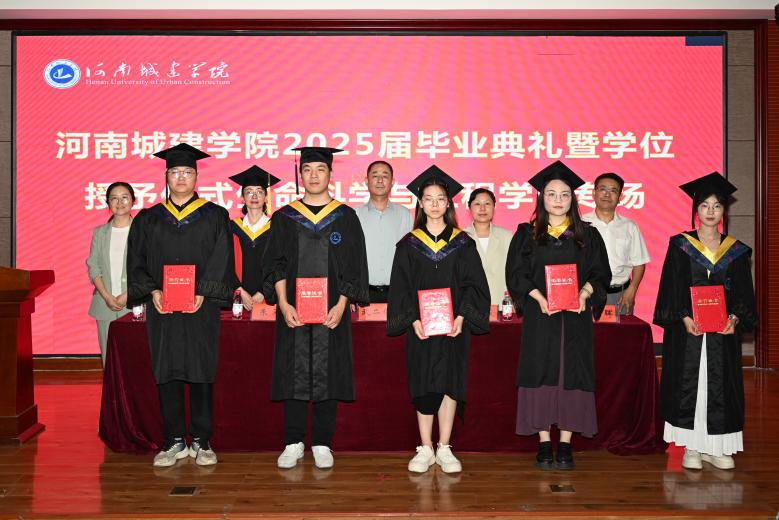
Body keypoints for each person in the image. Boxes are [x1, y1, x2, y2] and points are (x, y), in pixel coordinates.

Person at [126, 143, 234, 468]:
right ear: (166, 176)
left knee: (201, 371)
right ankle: (173, 439)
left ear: (197, 176)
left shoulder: (215, 216)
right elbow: (136, 262)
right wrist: (152, 291)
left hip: (201, 307)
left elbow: (221, 259)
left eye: (187, 172)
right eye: (175, 172)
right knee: (167, 370)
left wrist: (204, 291)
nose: (181, 177)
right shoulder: (148, 219)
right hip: (163, 309)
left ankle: (201, 440)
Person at [262, 146, 369, 470]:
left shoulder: (345, 217)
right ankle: (293, 442)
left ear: (330, 175)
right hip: (293, 309)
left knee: (328, 371)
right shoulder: (285, 217)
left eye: (320, 170)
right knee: (293, 371)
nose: (313, 175)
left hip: (331, 310)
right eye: (307, 170)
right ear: (301, 174)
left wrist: (342, 304)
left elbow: (353, 267)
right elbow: (276, 265)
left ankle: (322, 442)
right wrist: (283, 303)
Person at [505, 160, 610, 471]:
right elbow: (516, 274)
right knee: (539, 372)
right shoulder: (527, 234)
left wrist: (584, 295)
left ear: (572, 198)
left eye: (564, 194)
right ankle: (543, 441)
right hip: (541, 316)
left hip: (575, 317)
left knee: (571, 373)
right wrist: (538, 298)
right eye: (551, 194)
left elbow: (600, 273)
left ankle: (565, 443)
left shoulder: (587, 235)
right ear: (542, 198)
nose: (558, 200)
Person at [387, 165, 490, 474]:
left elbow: (475, 286)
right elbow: (401, 288)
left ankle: (444, 446)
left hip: (453, 328)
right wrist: (412, 320)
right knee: (423, 384)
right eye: (428, 199)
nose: (434, 204)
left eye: (440, 199)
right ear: (420, 203)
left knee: (449, 382)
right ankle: (425, 447)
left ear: (448, 204)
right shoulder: (408, 244)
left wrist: (462, 316)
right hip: (421, 328)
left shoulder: (463, 243)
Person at [654, 172, 757, 471]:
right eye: (705, 205)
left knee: (720, 386)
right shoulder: (680, 246)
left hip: (722, 334)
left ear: (724, 211)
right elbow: (670, 288)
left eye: (717, 206)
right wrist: (684, 317)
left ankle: (717, 448)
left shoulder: (735, 251)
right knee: (691, 385)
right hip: (688, 332)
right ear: (695, 209)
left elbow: (744, 293)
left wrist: (735, 318)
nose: (711, 211)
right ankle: (692, 447)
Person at [582, 173, 650, 314]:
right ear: (594, 193)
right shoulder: (580, 224)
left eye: (613, 191)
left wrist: (632, 290)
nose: (607, 194)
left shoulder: (629, 226)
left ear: (620, 197)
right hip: (586, 294)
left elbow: (639, 262)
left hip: (621, 295)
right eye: (603, 189)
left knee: (622, 329)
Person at [86, 182, 134, 366]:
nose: (119, 202)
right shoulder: (100, 233)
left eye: (124, 197)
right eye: (114, 198)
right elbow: (93, 266)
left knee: (134, 358)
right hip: (104, 304)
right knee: (109, 359)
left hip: (134, 304)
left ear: (133, 201)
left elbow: (147, 268)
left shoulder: (142, 231)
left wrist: (127, 295)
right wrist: (106, 296)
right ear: (108, 203)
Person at [355, 160, 413, 303]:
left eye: (385, 176)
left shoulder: (404, 214)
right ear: (366, 181)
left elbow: (411, 256)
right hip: (363, 293)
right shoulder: (354, 214)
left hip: (397, 293)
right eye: (375, 175)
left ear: (392, 182)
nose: (380, 180)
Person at [227, 165, 281, 310]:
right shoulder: (231, 228)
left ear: (266, 197)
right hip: (238, 300)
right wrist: (239, 290)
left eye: (259, 192)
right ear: (242, 198)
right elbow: (224, 262)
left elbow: (281, 264)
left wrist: (264, 291)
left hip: (267, 301)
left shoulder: (276, 228)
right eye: (249, 192)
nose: (254, 196)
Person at [463, 188, 513, 305]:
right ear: (470, 208)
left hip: (502, 302)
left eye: (487, 204)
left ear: (494, 207)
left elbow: (514, 272)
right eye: (477, 204)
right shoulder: (460, 237)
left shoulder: (506, 236)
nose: (482, 208)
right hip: (471, 305)